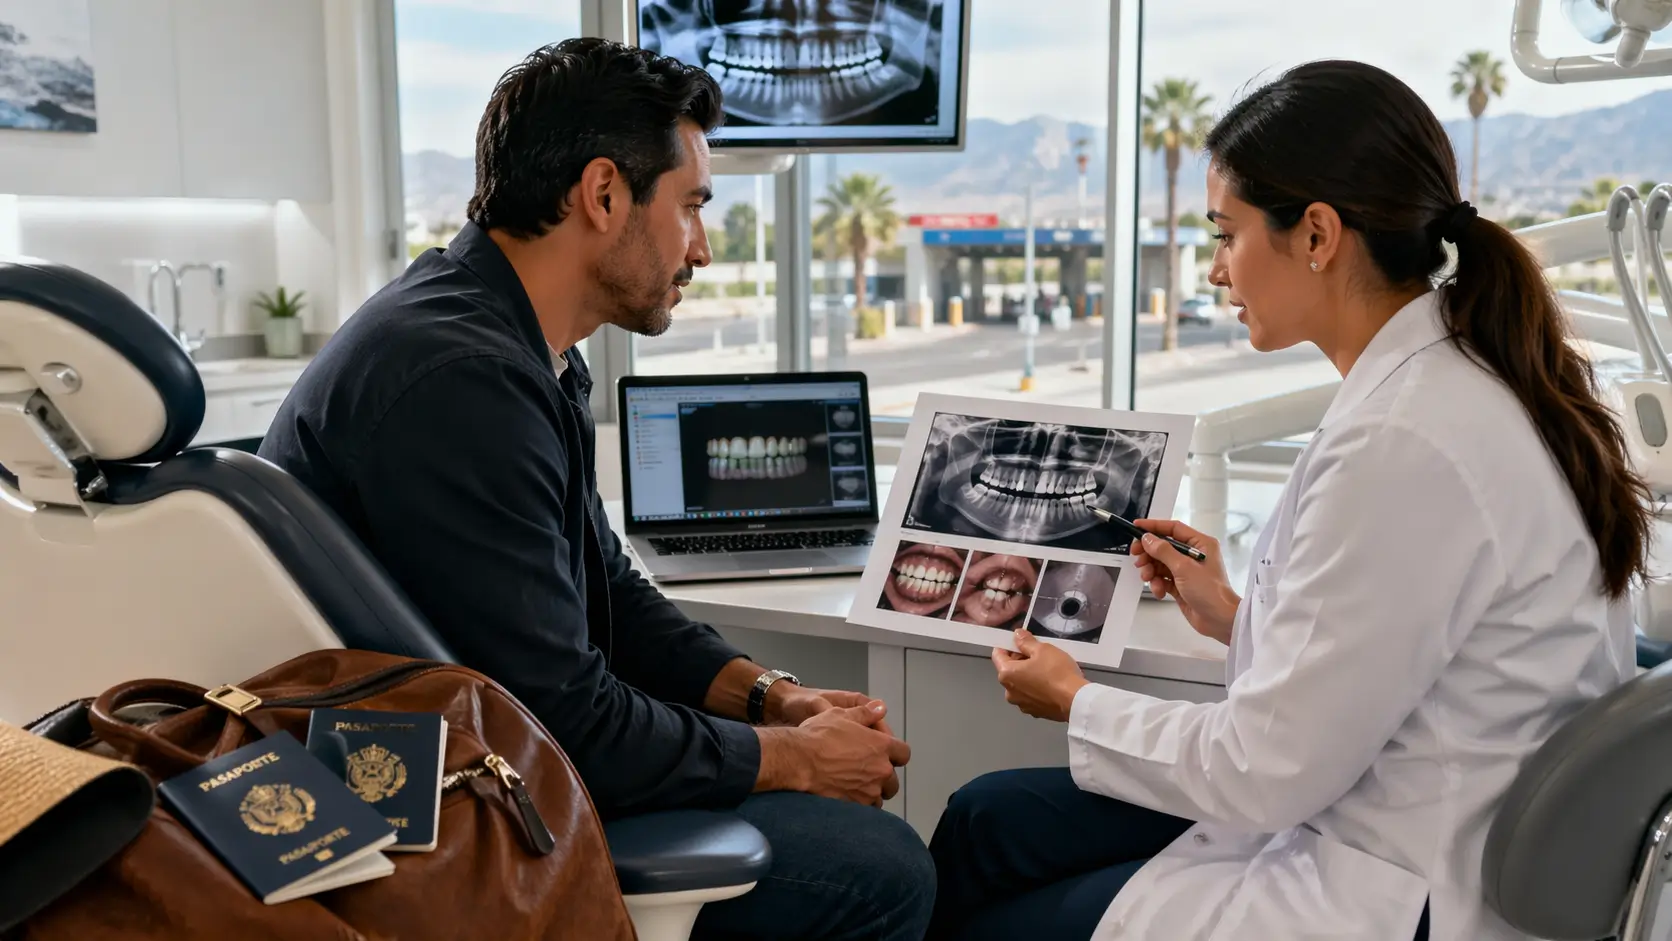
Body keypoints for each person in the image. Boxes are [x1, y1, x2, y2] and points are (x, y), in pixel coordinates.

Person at [925, 59, 1649, 941]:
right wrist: (1233, 613)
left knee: (987, 891)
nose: (1218, 271)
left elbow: (1271, 767)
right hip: (1378, 805)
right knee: (986, 819)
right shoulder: (1458, 381)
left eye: (1225, 234)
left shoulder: (1404, 441)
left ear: (1316, 234)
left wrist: (1075, 699)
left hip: (1407, 881)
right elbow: (1400, 647)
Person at [259, 37, 933, 941]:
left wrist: (773, 697)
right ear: (604, 192)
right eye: (691, 206)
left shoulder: (508, 341)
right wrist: (791, 759)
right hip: (447, 807)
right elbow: (566, 720)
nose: (699, 247)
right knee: (884, 870)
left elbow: (610, 587)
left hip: (494, 751)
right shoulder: (461, 378)